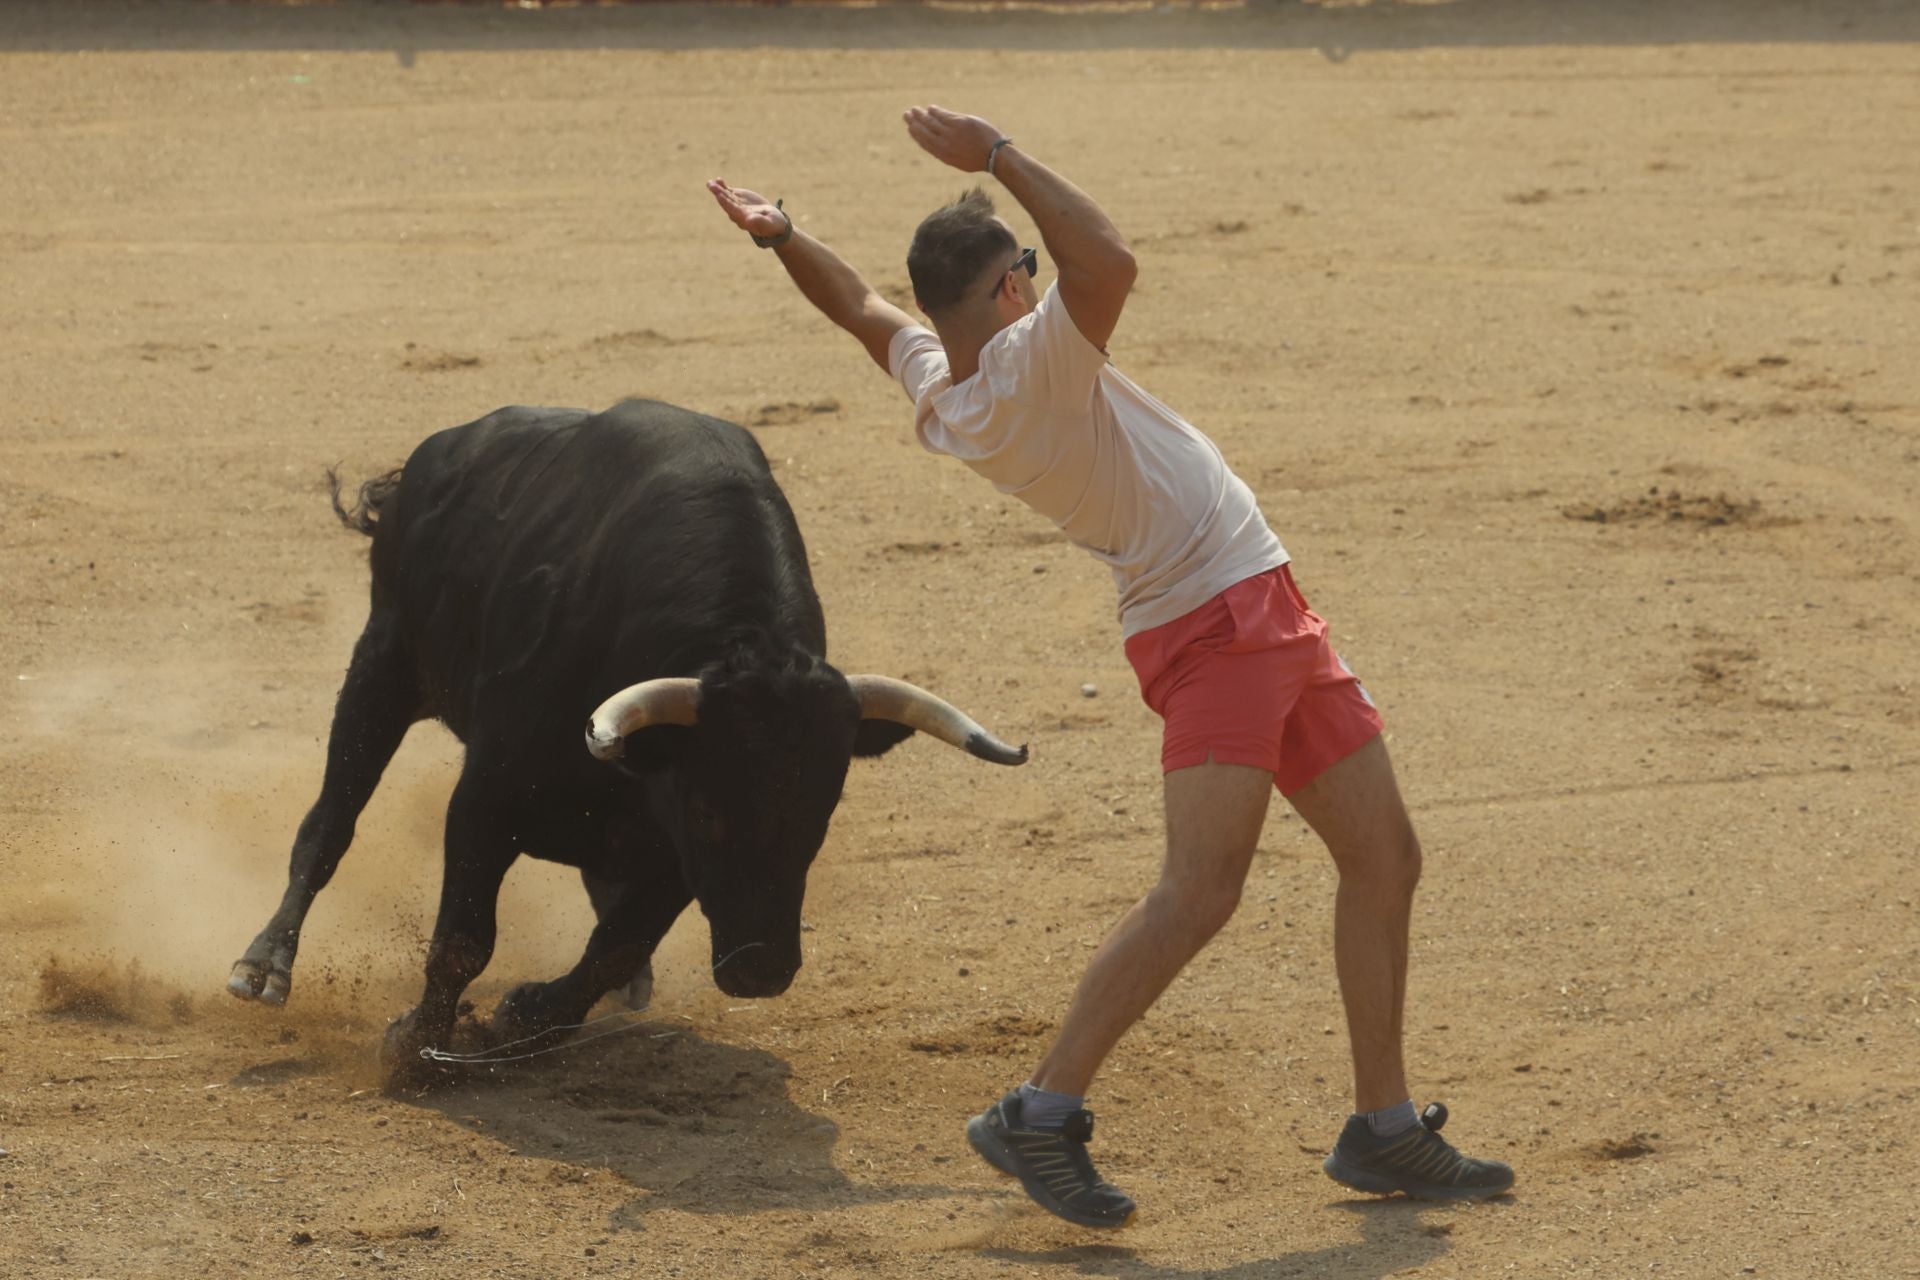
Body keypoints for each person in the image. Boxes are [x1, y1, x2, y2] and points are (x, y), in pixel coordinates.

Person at [707, 105, 1514, 1228]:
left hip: (1261, 608)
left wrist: (781, 233)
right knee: (1200, 890)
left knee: (1385, 855)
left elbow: (859, 308)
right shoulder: (1040, 361)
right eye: (1025, 270)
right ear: (1006, 295)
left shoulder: (950, 385)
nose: (1040, 280)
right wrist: (997, 154)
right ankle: (1040, 1107)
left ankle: (1382, 1127)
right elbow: (1116, 257)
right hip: (1215, 626)